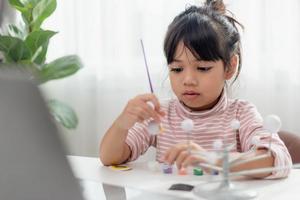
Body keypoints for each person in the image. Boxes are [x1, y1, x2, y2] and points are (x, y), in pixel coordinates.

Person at [99, 0, 292, 179]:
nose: (188, 80)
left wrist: (215, 161)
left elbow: (280, 159)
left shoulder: (241, 113)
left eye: (203, 68)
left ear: (230, 67)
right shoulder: (161, 116)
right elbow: (110, 158)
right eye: (177, 69)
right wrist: (123, 123)